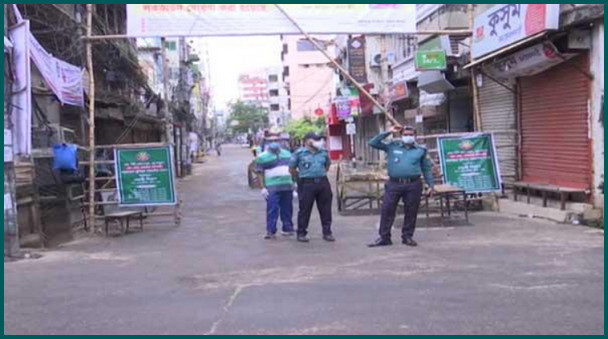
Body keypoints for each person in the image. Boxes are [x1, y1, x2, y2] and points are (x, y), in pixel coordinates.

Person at [367, 125, 435, 248]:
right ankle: (384, 237)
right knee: (387, 209)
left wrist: (431, 185)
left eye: (410, 134)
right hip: (394, 183)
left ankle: (407, 236)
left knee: (411, 211)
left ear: (414, 136)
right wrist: (389, 132)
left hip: (413, 184)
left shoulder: (420, 150)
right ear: (401, 135)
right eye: (405, 134)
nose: (408, 137)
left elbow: (426, 168)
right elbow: (373, 143)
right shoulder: (392, 146)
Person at [289, 132, 335, 243]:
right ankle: (301, 233)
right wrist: (298, 180)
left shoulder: (323, 153)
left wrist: (320, 173)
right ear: (307, 141)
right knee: (305, 209)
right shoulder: (299, 153)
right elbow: (292, 169)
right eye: (315, 140)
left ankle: (327, 232)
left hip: (323, 182)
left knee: (326, 209)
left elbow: (327, 165)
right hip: (306, 183)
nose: (319, 142)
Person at [255, 135, 296, 239]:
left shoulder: (288, 154)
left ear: (280, 141)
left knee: (287, 208)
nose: (274, 142)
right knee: (272, 209)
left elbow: (292, 169)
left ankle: (287, 228)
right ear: (266, 143)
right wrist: (262, 188)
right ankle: (271, 231)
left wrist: (294, 183)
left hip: (287, 185)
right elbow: (259, 173)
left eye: (276, 140)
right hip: (271, 187)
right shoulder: (261, 157)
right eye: (271, 140)